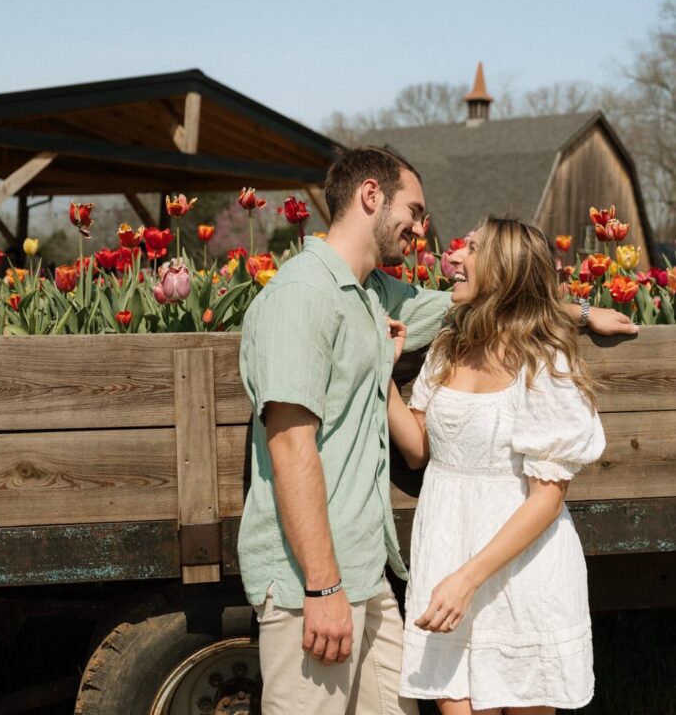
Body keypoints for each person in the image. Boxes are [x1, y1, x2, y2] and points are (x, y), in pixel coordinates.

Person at [238, 148, 636, 715]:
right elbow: (291, 448)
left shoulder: (373, 293)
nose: (426, 232)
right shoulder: (301, 298)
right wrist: (323, 587)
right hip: (318, 577)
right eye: (415, 210)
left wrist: (572, 311)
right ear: (370, 196)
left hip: (368, 574)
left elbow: (494, 300)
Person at [387, 218, 609, 715]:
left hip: (521, 565)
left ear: (504, 270)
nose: (455, 257)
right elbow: (419, 449)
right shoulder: (449, 346)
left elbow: (547, 499)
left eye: (473, 249)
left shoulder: (543, 363)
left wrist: (468, 579)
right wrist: (383, 375)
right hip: (447, 544)